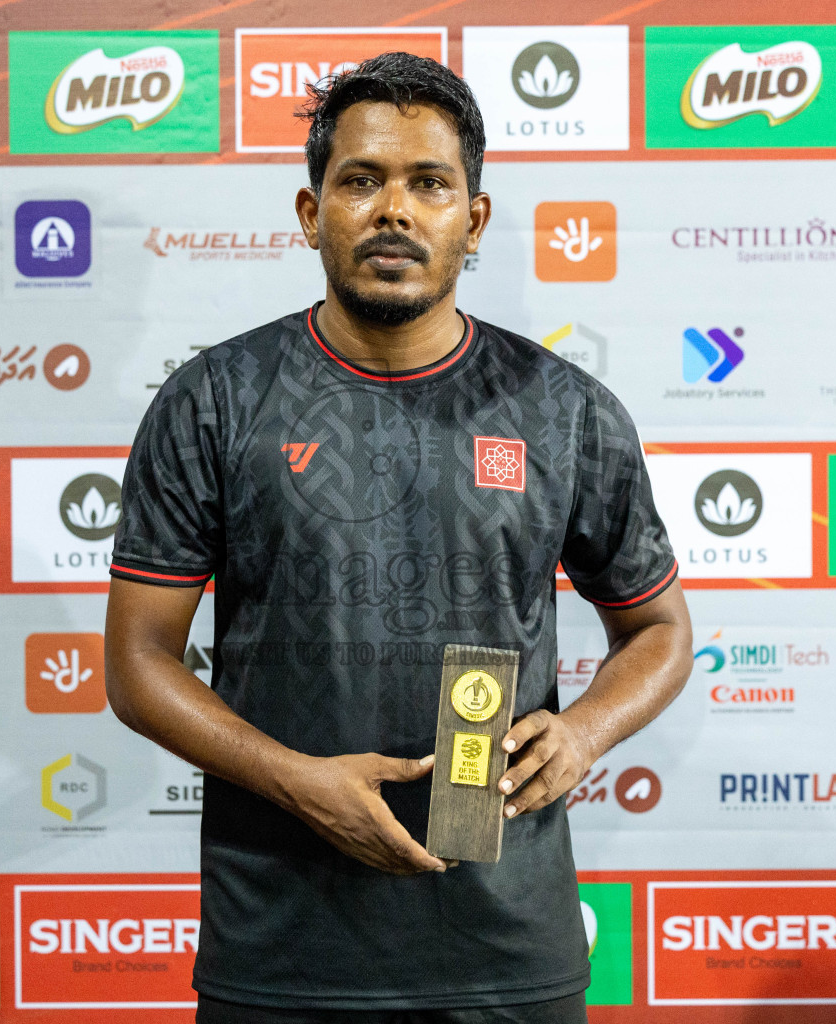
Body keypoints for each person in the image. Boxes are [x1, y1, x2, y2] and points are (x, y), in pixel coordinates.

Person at [103, 51, 692, 1024]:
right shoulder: (214, 401)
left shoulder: (565, 411)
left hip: (507, 951)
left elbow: (661, 631)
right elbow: (135, 665)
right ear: (310, 213)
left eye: (428, 183)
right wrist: (298, 782)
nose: (394, 211)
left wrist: (586, 729)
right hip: (283, 949)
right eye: (361, 180)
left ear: (474, 219)